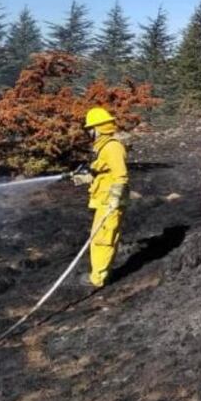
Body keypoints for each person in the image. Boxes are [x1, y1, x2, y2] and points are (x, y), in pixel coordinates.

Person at [71, 107, 128, 288]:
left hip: (110, 202)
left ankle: (98, 279)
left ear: (99, 128)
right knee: (99, 238)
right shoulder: (102, 147)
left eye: (91, 128)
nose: (89, 132)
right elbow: (103, 171)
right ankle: (99, 273)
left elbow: (121, 176)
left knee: (104, 238)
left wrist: (114, 200)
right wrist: (86, 177)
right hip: (104, 200)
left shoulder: (112, 147)